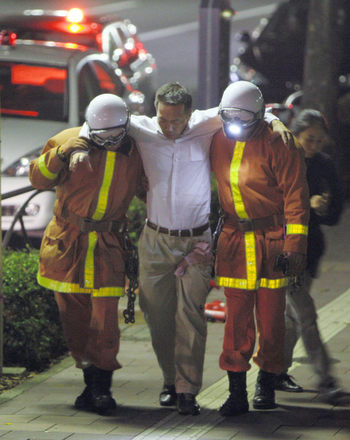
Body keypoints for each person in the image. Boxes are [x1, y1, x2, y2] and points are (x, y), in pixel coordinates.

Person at [128, 82, 294, 416]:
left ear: (190, 115)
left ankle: (188, 391)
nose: (169, 127)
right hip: (155, 239)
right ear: (154, 111)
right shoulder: (142, 128)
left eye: (177, 121)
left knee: (191, 318)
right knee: (158, 318)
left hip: (198, 242)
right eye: (163, 118)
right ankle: (169, 381)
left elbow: (254, 115)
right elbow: (97, 121)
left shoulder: (210, 123)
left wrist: (278, 124)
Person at [29, 93, 146, 415]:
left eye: (115, 135)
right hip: (68, 243)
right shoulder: (67, 141)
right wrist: (62, 154)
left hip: (109, 244)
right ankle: (88, 382)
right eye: (102, 136)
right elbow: (38, 177)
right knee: (74, 320)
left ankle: (102, 389)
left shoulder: (136, 150)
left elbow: (150, 190)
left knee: (106, 320)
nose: (109, 142)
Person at [210, 81, 310, 416]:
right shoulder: (217, 134)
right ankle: (236, 390)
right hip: (235, 242)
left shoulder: (279, 142)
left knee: (271, 322)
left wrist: (294, 246)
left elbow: (296, 197)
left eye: (242, 119)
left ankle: (267, 383)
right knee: (236, 321)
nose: (234, 124)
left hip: (271, 242)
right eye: (229, 117)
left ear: (259, 115)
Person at [274, 109, 344, 403]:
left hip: (311, 248)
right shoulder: (283, 157)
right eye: (308, 139)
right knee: (305, 314)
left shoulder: (324, 164)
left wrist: (324, 207)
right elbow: (272, 201)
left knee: (292, 316)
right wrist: (307, 201)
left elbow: (335, 211)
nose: (313, 145)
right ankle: (325, 376)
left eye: (318, 140)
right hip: (287, 248)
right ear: (295, 134)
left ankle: (274, 371)